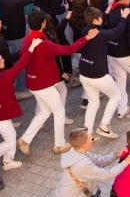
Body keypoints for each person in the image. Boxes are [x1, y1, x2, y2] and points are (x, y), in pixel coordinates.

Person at [17, 10, 96, 156]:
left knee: (44, 112)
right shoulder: (44, 43)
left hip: (33, 82)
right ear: (43, 24)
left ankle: (25, 140)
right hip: (43, 84)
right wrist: (86, 38)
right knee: (59, 112)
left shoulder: (26, 39)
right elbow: (68, 49)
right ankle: (59, 144)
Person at [0, 38, 41, 171]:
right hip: (0, 115)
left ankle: (8, 162)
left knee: (12, 135)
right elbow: (20, 64)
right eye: (1, 60)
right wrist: (31, 48)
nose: (4, 60)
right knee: (10, 140)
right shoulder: (3, 77)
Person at [78, 6, 129, 141]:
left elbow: (99, 26)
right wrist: (123, 17)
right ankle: (104, 126)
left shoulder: (85, 30)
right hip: (98, 74)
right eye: (100, 18)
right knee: (116, 96)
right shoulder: (101, 35)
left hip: (84, 73)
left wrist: (105, 13)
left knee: (93, 103)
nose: (102, 20)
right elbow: (117, 31)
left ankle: (88, 133)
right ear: (96, 20)